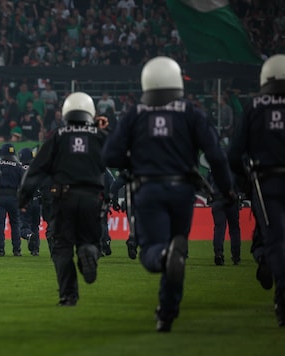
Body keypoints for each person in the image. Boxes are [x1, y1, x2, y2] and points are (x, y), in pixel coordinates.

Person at [102, 56, 235, 332]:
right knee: (178, 247)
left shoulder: (135, 113)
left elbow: (110, 155)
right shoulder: (191, 112)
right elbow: (217, 156)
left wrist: (133, 161)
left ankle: (164, 259)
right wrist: (228, 190)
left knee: (153, 251)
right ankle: (168, 310)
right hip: (183, 190)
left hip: (148, 189)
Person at [19, 92, 108, 307]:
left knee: (62, 248)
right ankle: (89, 252)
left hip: (63, 197)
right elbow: (122, 155)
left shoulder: (57, 136)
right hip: (92, 198)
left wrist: (23, 198)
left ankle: (68, 295)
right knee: (91, 240)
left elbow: (36, 169)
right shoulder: (99, 135)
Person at [228, 54, 285, 327]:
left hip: (265, 182)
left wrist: (243, 183)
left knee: (275, 238)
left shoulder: (253, 107)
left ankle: (281, 295)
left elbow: (234, 153)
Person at [0, 143, 25, 257]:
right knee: (15, 224)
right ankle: (17, 250)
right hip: (14, 198)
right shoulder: (18, 166)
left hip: (0, 197)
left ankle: (0, 250)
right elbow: (23, 183)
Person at [208, 169, 241, 266]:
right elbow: (240, 183)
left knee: (219, 228)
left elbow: (208, 182)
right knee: (234, 228)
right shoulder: (234, 168)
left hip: (217, 200)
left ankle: (218, 253)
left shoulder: (213, 169)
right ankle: (236, 255)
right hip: (232, 200)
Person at [18, 147, 41, 256]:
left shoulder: (19, 169)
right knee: (35, 226)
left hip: (25, 201)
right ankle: (35, 250)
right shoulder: (37, 168)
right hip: (36, 201)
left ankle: (28, 235)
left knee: (22, 226)